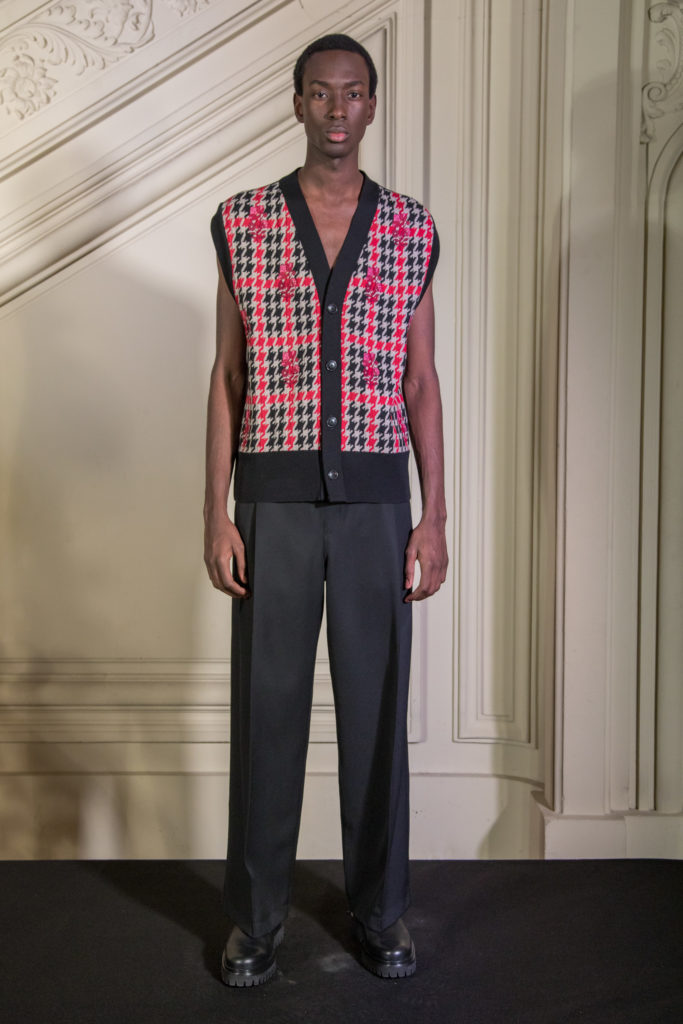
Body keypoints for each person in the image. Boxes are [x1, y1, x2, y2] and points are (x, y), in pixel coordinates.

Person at [204, 33, 448, 987]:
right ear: (297, 102)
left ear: (371, 106)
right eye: (319, 92)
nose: (336, 108)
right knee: (265, 713)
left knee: (376, 713)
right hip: (271, 501)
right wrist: (216, 510)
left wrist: (433, 517)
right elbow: (227, 376)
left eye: (352, 92)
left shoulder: (412, 228)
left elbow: (420, 380)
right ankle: (255, 921)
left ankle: (380, 912)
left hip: (377, 504)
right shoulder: (243, 221)